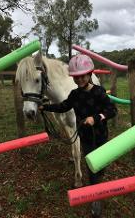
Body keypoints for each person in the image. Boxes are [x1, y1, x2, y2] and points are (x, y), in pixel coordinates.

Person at [39, 54, 117, 217]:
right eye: (76, 77)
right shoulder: (74, 94)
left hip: (100, 135)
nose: (80, 79)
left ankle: (97, 180)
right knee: (91, 167)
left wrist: (96, 118)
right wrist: (46, 108)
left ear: (89, 74)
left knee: (101, 165)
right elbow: (63, 107)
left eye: (83, 76)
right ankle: (96, 197)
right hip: (85, 137)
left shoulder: (99, 92)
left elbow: (112, 110)